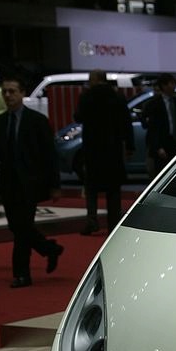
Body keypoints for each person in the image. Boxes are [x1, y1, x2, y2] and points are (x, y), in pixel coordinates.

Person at [0, 75, 63, 288]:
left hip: (30, 183)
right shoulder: (0, 121)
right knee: (16, 226)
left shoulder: (37, 121)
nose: (8, 95)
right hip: (8, 183)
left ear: (22, 93)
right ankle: (49, 249)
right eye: (5, 92)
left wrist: (55, 185)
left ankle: (22, 274)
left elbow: (50, 154)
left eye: (12, 91)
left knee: (22, 228)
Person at [74, 69, 132, 234]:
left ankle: (92, 221)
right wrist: (129, 145)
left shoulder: (86, 96)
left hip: (93, 148)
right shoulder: (117, 97)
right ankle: (113, 223)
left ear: (94, 79)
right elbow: (126, 123)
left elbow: (78, 117)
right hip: (113, 149)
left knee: (91, 187)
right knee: (113, 190)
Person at [142, 73, 176, 178]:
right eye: (171, 84)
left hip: (175, 143)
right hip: (162, 144)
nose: (174, 86)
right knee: (161, 173)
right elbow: (153, 128)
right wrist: (158, 147)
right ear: (164, 86)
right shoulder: (155, 104)